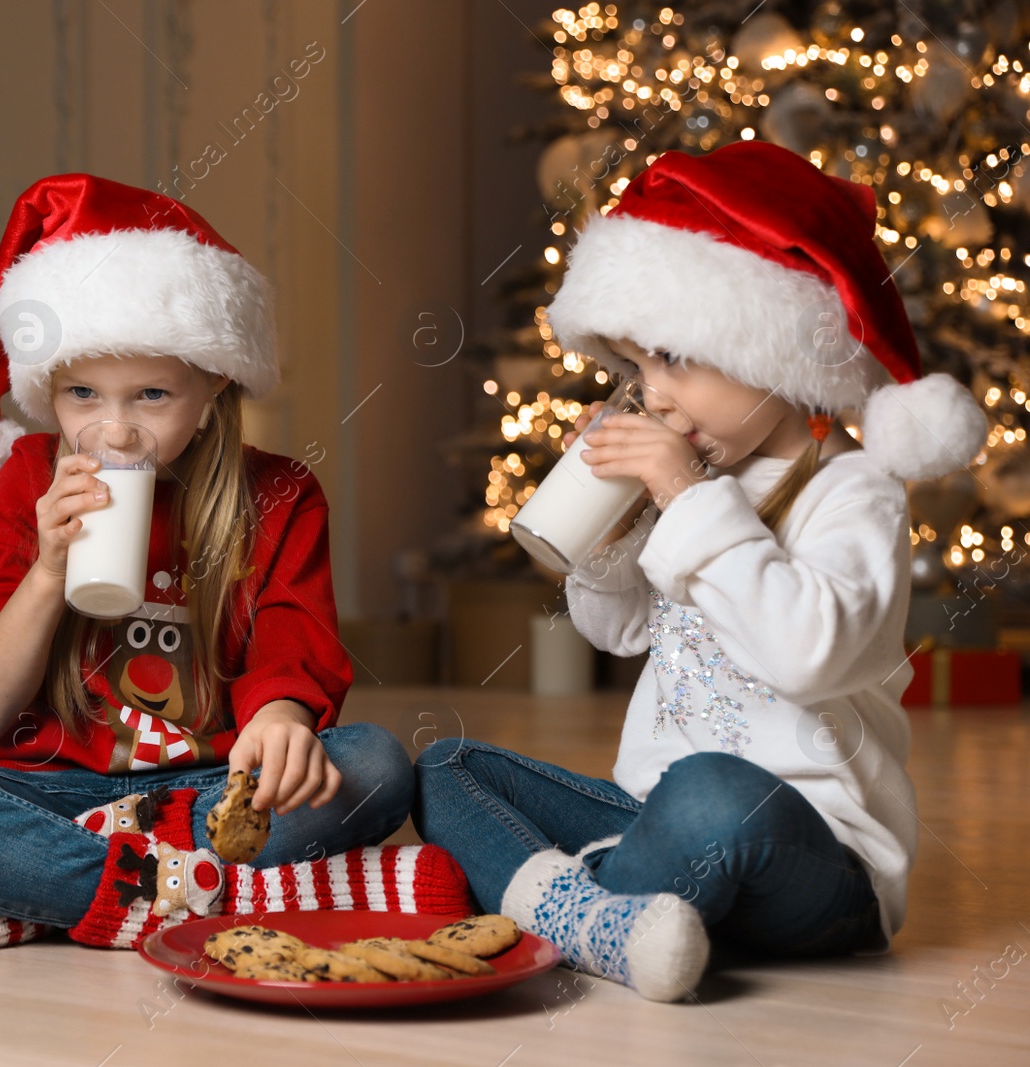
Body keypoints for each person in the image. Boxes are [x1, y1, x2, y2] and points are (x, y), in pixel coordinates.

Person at [414, 141, 987, 1002]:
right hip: (651, 818)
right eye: (637, 367)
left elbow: (808, 655)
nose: (655, 396)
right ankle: (609, 921)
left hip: (807, 849)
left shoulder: (855, 493)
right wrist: (614, 526)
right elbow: (615, 630)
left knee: (711, 792)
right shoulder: (700, 489)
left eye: (674, 361)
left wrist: (684, 496)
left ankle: (570, 907)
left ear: (774, 351)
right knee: (447, 767)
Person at [0, 174, 466, 956]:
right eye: (81, 394)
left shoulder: (278, 493)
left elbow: (290, 638)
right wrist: (46, 571)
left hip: (209, 790)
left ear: (212, 385)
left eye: (150, 395)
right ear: (48, 390)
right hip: (53, 789)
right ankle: (217, 895)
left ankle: (36, 894)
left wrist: (281, 718)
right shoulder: (25, 481)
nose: (115, 431)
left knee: (374, 761)